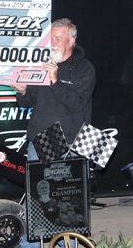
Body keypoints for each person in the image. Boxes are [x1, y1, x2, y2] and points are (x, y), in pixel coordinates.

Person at [13, 18, 96, 161]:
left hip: (75, 140)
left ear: (71, 41)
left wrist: (55, 80)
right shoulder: (39, 65)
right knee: (39, 183)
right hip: (43, 138)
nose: (53, 44)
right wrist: (22, 91)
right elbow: (27, 102)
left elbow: (76, 104)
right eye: (50, 39)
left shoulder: (85, 68)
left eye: (58, 39)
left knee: (75, 184)